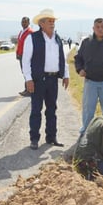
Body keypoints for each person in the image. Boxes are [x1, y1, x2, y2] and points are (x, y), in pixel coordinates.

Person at [22, 8, 69, 150]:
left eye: (53, 21)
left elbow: (62, 58)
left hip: (53, 79)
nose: (52, 23)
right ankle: (34, 139)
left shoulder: (57, 38)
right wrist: (28, 79)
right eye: (49, 21)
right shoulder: (32, 38)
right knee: (36, 109)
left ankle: (51, 137)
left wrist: (66, 75)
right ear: (41, 23)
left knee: (52, 109)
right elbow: (26, 60)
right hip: (38, 80)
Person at [16, 17, 33, 97]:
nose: (23, 23)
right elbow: (19, 43)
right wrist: (17, 53)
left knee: (27, 72)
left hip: (26, 55)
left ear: (28, 23)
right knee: (24, 72)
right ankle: (27, 89)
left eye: (25, 22)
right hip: (21, 55)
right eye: (22, 22)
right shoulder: (21, 32)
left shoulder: (30, 32)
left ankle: (29, 90)